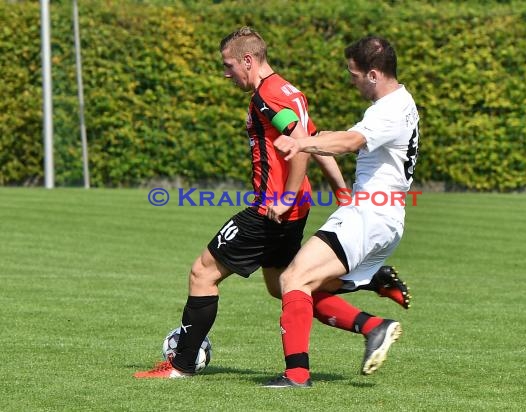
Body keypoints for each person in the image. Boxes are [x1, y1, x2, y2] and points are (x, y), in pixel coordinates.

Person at [134, 28, 410, 379]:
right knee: (286, 286)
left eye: (229, 65)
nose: (226, 73)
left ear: (248, 61)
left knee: (202, 273)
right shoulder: (287, 89)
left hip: (272, 210)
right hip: (292, 209)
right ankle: (371, 321)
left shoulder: (268, 96)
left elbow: (299, 146)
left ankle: (181, 365)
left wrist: (284, 196)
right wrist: (340, 191)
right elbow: (313, 141)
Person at [263, 35, 420, 388]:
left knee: (293, 280)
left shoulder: (389, 110)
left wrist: (301, 142)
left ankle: (297, 375)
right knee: (302, 290)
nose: (351, 80)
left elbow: (350, 142)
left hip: (368, 216)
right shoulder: (403, 101)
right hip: (384, 218)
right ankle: (373, 322)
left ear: (374, 74)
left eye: (354, 74)